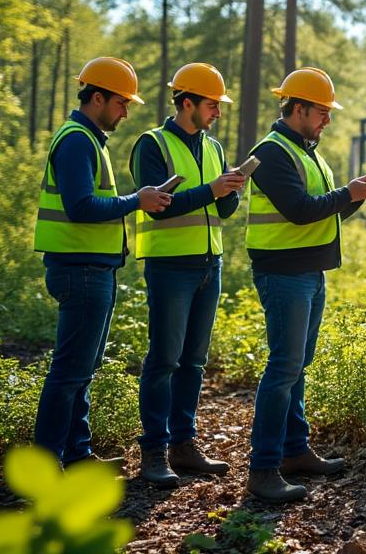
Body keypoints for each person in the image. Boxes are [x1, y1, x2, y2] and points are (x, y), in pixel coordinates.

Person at [243, 67, 366, 502]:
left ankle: (294, 451)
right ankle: (263, 468)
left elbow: (326, 213)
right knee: (284, 367)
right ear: (299, 108)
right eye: (322, 112)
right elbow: (300, 210)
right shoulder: (270, 153)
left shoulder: (309, 153)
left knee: (297, 366)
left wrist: (356, 197)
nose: (328, 120)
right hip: (283, 274)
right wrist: (349, 192)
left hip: (309, 271)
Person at [33, 57, 171, 469]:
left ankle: (77, 458)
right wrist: (137, 200)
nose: (126, 111)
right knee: (69, 373)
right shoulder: (77, 140)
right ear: (97, 98)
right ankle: (48, 466)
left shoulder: (89, 139)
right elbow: (80, 207)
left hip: (93, 269)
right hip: (81, 271)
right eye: (121, 102)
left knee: (82, 370)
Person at [130, 63, 247, 487]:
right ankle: (154, 453)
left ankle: (183, 444)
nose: (217, 111)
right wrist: (211, 190)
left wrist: (231, 190)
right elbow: (158, 205)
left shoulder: (214, 148)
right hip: (169, 267)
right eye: (211, 104)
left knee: (194, 362)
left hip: (208, 265)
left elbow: (222, 209)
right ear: (186, 102)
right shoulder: (151, 145)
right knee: (163, 360)